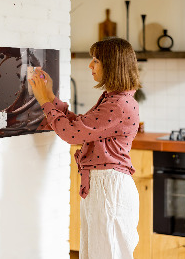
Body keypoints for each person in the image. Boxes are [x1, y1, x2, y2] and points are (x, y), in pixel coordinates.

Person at [29, 37, 141, 259]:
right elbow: (80, 126)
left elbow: (72, 134)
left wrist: (44, 101)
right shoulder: (114, 99)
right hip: (104, 186)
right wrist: (50, 97)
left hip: (109, 188)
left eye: (96, 60)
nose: (90, 65)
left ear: (112, 65)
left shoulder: (118, 104)